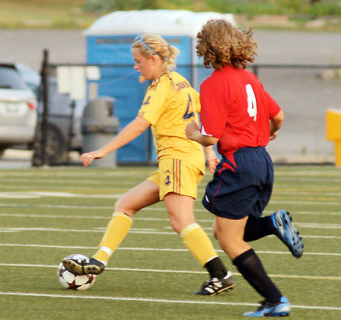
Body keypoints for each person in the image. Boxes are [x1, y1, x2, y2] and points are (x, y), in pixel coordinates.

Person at [62, 33, 235, 296]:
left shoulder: (163, 85)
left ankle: (220, 274)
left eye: (138, 61)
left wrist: (103, 150)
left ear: (154, 59)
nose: (135, 66)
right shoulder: (181, 81)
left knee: (181, 220)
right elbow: (200, 119)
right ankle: (99, 260)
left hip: (177, 159)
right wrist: (209, 151)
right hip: (180, 159)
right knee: (126, 204)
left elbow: (140, 124)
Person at [185, 19, 303, 317]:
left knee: (228, 238)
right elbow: (279, 116)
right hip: (262, 160)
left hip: (239, 162)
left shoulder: (213, 83)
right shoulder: (249, 79)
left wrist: (193, 134)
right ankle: (272, 224)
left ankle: (275, 300)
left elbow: (211, 136)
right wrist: (271, 131)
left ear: (207, 47)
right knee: (228, 230)